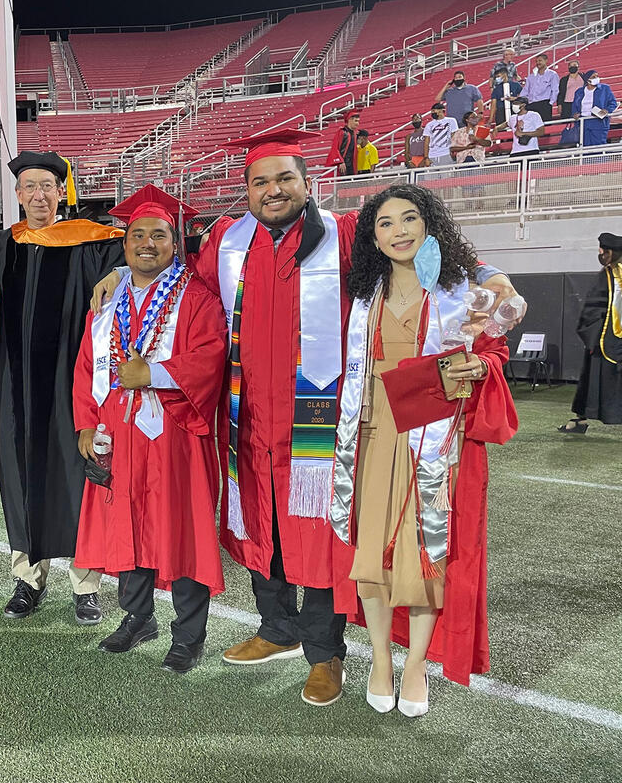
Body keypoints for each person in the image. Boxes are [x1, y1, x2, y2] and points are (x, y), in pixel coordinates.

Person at [92, 129, 515, 706]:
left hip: (319, 417)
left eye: (285, 178)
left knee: (317, 531)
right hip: (247, 415)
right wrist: (120, 276)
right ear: (244, 189)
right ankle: (275, 628)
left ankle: (325, 651)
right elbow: (177, 277)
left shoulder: (342, 233)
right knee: (258, 521)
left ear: (306, 181)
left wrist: (488, 273)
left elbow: (417, 248)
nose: (273, 190)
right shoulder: (226, 241)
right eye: (260, 181)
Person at [330, 184, 517, 715]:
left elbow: (495, 349)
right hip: (369, 433)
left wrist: (482, 365)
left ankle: (414, 665)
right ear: (372, 237)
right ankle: (381, 659)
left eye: (409, 218)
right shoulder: (364, 293)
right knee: (371, 555)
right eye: (385, 224)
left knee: (423, 555)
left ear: (429, 224)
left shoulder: (462, 291)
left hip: (432, 438)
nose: (399, 231)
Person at [0, 150, 124, 624]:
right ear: (17, 195)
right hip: (13, 384)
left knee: (76, 472)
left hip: (70, 383)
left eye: (47, 186)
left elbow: (139, 258)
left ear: (60, 192)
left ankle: (85, 583)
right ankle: (28, 579)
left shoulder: (90, 243)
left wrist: (117, 272)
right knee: (19, 474)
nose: (38, 195)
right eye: (29, 186)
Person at [73, 185, 228, 674]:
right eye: (136, 235)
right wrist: (85, 424)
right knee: (127, 524)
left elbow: (211, 358)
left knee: (181, 529)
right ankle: (138, 617)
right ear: (123, 246)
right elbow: (85, 367)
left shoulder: (197, 297)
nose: (146, 243)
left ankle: (189, 634)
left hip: (175, 433)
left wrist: (155, 374)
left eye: (158, 234)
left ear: (173, 242)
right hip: (118, 430)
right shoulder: (106, 302)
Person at [560, 232, 622, 432]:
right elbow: (596, 307)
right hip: (607, 337)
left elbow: (592, 308)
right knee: (593, 378)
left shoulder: (608, 275)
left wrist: (592, 333)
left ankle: (581, 420)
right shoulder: (608, 274)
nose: (600, 254)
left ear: (610, 252)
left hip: (606, 338)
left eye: (602, 251)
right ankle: (581, 419)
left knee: (595, 376)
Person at [571, 71, 617, 147]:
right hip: (583, 122)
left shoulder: (605, 88)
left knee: (599, 145)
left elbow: (613, 103)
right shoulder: (579, 92)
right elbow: (574, 106)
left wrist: (607, 110)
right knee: (585, 146)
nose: (596, 78)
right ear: (587, 80)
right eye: (593, 77)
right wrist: (575, 114)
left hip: (598, 121)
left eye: (597, 76)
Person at [520, 53, 559, 123]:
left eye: (540, 61)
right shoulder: (531, 77)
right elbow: (525, 90)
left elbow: (555, 90)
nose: (538, 63)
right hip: (532, 104)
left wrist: (550, 103)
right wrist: (520, 100)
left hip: (544, 104)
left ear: (546, 61)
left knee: (545, 126)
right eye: (536, 61)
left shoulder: (552, 74)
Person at [326, 110, 360, 176]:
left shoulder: (355, 134)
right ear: (349, 120)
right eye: (356, 121)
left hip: (351, 166)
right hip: (342, 165)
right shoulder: (342, 132)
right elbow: (335, 148)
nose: (358, 124)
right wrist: (340, 162)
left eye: (358, 121)